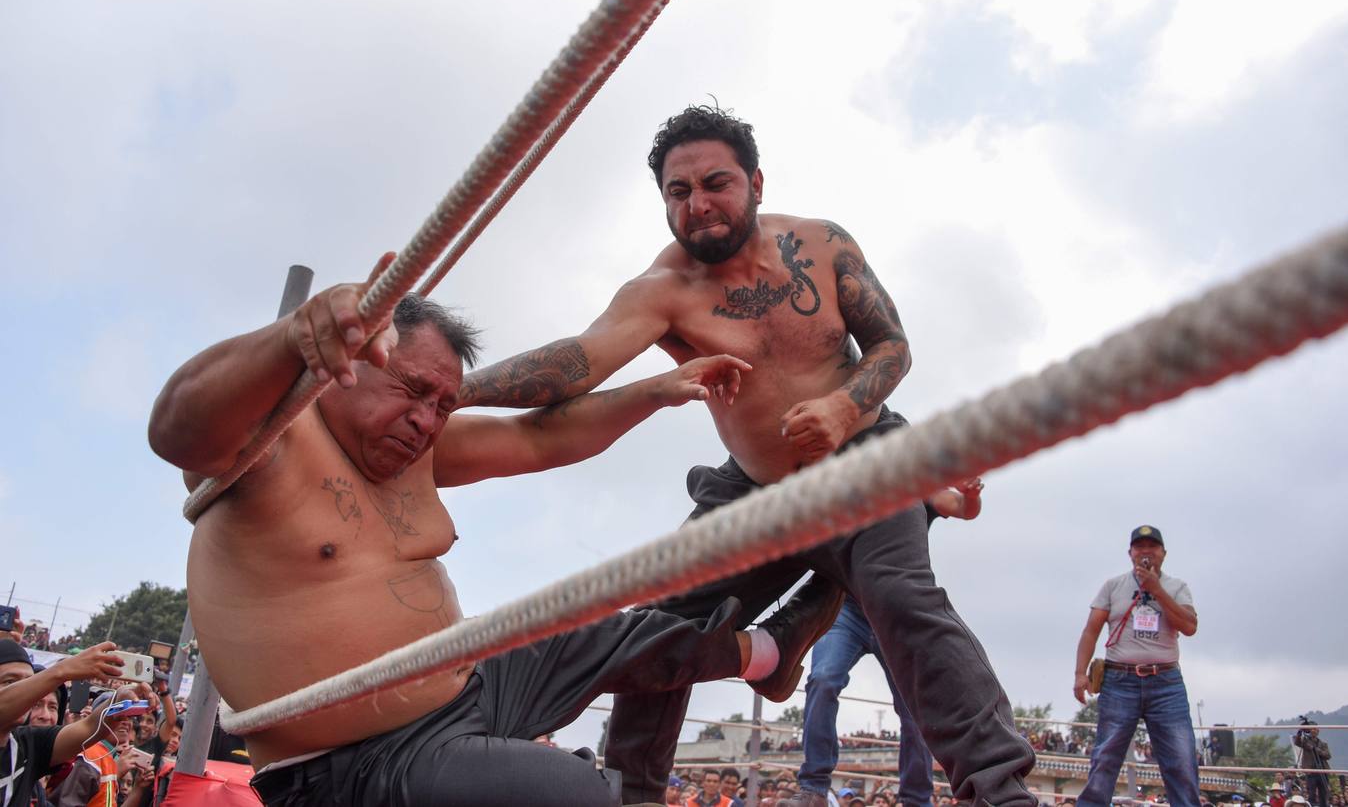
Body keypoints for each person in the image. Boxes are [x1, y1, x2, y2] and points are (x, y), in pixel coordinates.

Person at [457, 105, 1036, 805]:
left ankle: (999, 791)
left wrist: (843, 406)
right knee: (664, 621)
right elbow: (579, 362)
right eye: (678, 192)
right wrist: (451, 389)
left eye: (715, 183)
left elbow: (893, 346)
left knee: (901, 597)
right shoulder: (662, 292)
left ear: (756, 182)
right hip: (755, 489)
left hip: (864, 461)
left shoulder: (822, 247)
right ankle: (629, 791)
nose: (697, 204)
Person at [149, 284, 841, 807]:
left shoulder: (420, 446)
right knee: (572, 792)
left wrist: (656, 391)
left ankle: (768, 657)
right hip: (359, 762)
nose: (425, 421)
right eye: (413, 391)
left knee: (606, 634)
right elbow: (177, 430)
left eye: (443, 405)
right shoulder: (270, 442)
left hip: (467, 677)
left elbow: (541, 438)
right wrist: (290, 338)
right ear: (350, 364)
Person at [799, 480, 983, 807]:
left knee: (914, 707)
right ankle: (813, 788)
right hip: (846, 608)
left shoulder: (913, 487)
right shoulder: (846, 486)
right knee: (823, 679)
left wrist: (970, 494)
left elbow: (962, 509)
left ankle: (915, 798)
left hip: (897, 611)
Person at [1072, 525, 1200, 807]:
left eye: (1152, 547)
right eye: (1139, 547)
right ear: (1130, 553)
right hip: (1120, 679)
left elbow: (1189, 626)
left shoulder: (1177, 587)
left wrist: (1157, 589)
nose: (1145, 552)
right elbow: (1091, 630)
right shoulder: (1113, 586)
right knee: (1105, 755)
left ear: (1163, 553)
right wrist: (1080, 673)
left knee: (1181, 758)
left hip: (1165, 681)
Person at [0, 639, 150, 807]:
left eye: (29, 682)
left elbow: (88, 727)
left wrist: (119, 700)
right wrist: (63, 670)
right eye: (10, 683)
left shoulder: (28, 744)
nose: (28, 695)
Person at [1292, 719, 1332, 807]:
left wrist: (1317, 750)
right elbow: (1297, 741)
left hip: (1322, 771)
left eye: (1315, 729)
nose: (1313, 730)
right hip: (1311, 772)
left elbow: (1328, 755)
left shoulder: (1323, 744)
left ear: (1318, 731)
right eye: (1311, 729)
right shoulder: (1305, 741)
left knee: (1323, 794)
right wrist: (1300, 731)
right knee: (1311, 794)